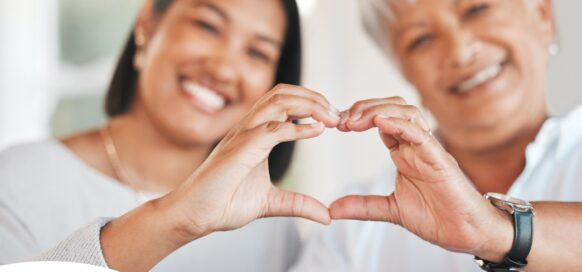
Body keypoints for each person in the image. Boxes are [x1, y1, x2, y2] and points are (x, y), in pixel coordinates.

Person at [291, 0, 582, 271]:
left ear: (542, 14)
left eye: (476, 9)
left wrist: (497, 231)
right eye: (421, 39)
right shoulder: (358, 228)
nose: (459, 51)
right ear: (406, 73)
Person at [0, 0, 339, 271]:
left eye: (257, 53)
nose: (222, 69)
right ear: (148, 24)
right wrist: (173, 221)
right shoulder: (20, 180)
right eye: (207, 26)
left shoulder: (271, 231)